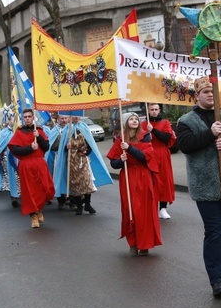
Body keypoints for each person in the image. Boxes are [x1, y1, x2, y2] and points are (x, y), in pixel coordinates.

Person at [176, 76, 221, 298]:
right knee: (214, 230)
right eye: (205, 91)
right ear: (197, 95)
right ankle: (217, 279)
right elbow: (186, 146)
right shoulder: (185, 120)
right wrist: (210, 133)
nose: (209, 94)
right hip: (205, 184)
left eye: (212, 91)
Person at [107, 112, 161, 256]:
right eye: (131, 119)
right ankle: (133, 242)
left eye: (136, 119)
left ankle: (145, 244)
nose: (134, 121)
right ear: (125, 123)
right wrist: (121, 159)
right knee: (130, 210)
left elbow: (145, 158)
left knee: (144, 211)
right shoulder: (120, 140)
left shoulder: (145, 138)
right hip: (128, 177)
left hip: (143, 177)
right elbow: (113, 163)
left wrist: (130, 148)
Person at [54, 114, 113, 215]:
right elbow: (61, 148)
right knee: (75, 182)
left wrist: (86, 152)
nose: (76, 118)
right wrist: (66, 147)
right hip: (72, 160)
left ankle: (87, 204)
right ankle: (79, 206)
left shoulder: (84, 128)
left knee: (86, 181)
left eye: (78, 116)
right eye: (74, 116)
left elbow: (91, 144)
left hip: (83, 159)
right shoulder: (67, 130)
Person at [8, 109, 55, 229]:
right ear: (23, 118)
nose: (27, 118)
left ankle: (39, 209)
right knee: (29, 192)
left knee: (45, 188)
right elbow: (15, 150)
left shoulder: (39, 130)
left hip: (40, 163)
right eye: (25, 117)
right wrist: (30, 148)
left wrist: (38, 138)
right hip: (26, 165)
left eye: (29, 116)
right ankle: (33, 215)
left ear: (33, 117)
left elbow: (46, 147)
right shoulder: (19, 132)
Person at [143, 103, 177, 220]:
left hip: (162, 154)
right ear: (148, 110)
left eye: (156, 109)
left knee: (163, 180)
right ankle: (150, 207)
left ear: (159, 110)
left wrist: (154, 131)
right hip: (148, 154)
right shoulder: (143, 124)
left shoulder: (165, 123)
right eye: (152, 109)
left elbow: (167, 138)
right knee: (149, 181)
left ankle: (163, 208)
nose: (154, 111)